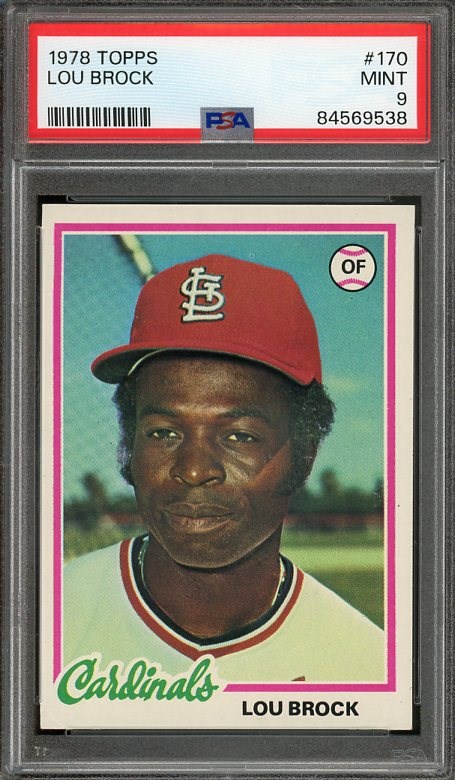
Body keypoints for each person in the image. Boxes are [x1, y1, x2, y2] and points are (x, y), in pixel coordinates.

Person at [64, 255, 384, 682]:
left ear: (304, 455)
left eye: (239, 436)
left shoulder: (366, 667)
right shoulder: (44, 620)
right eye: (163, 433)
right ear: (128, 446)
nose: (195, 471)